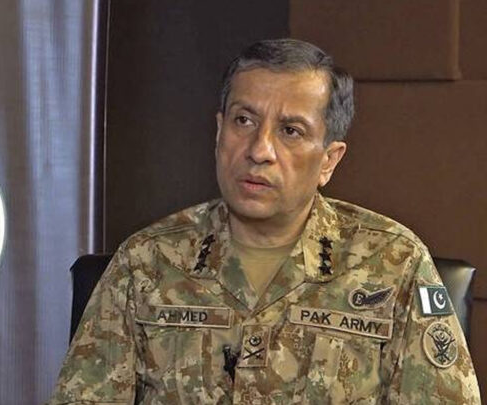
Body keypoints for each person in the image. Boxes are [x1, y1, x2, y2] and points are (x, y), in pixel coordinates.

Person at [50, 39, 480, 404]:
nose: (259, 150)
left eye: (290, 131)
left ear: (329, 160)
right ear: (219, 132)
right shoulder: (145, 261)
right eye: (244, 121)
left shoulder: (396, 263)